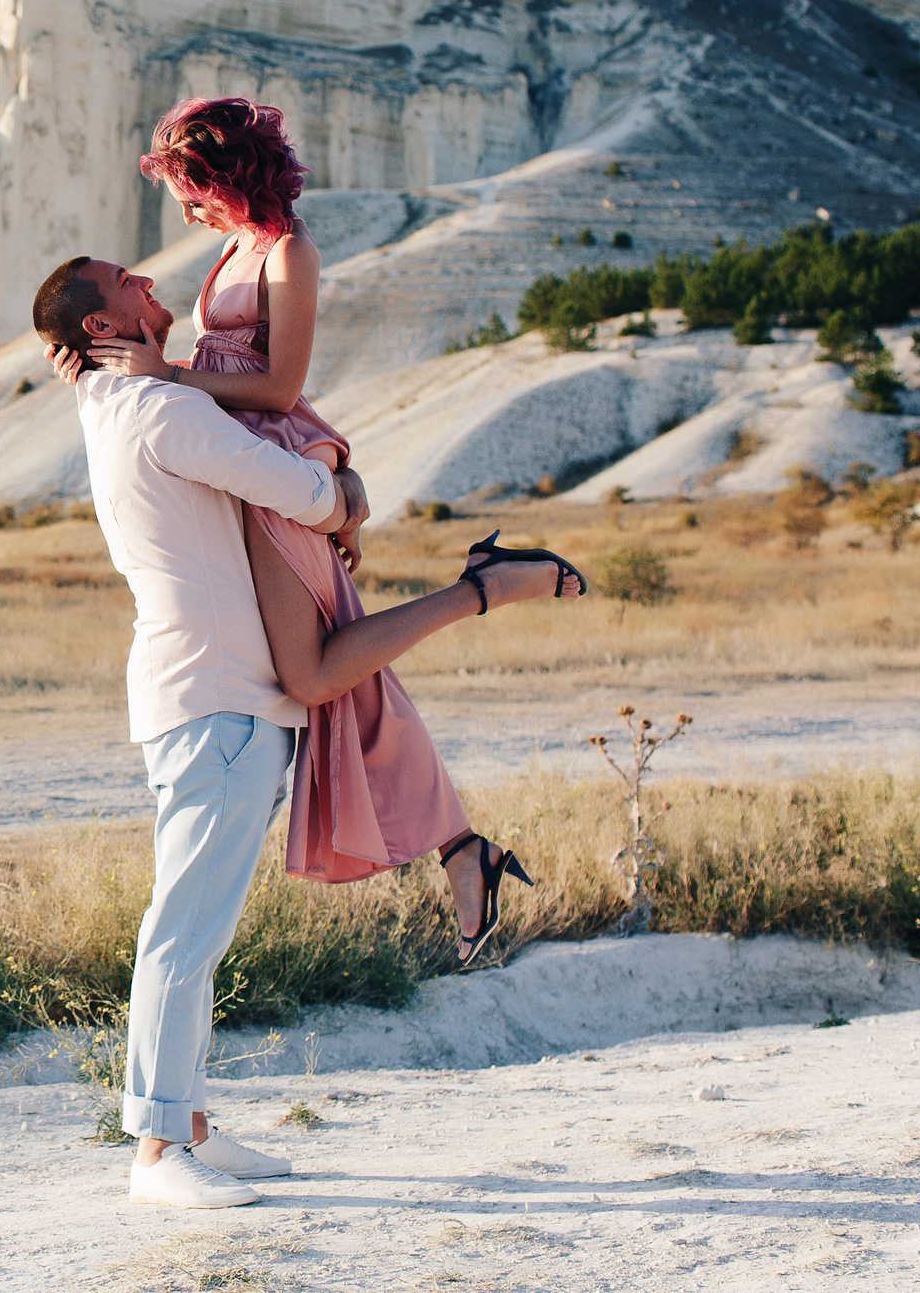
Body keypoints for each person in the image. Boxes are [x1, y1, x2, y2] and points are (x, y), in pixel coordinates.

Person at [34, 251, 581, 1209]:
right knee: (182, 932)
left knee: (198, 928)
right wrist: (345, 488)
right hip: (217, 704)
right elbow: (294, 490)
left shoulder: (120, 408)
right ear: (102, 328)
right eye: (130, 284)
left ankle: (191, 1123)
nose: (154, 285)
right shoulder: (160, 412)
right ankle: (159, 1152)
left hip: (215, 701)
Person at [49, 97, 581, 966]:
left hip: (271, 461)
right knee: (348, 679)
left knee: (314, 672)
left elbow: (279, 386)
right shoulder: (231, 248)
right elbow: (166, 364)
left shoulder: (290, 251)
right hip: (245, 466)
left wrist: (170, 374)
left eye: (190, 191)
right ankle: (462, 851)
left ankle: (484, 588)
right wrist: (90, 352)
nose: (183, 213)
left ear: (226, 176)